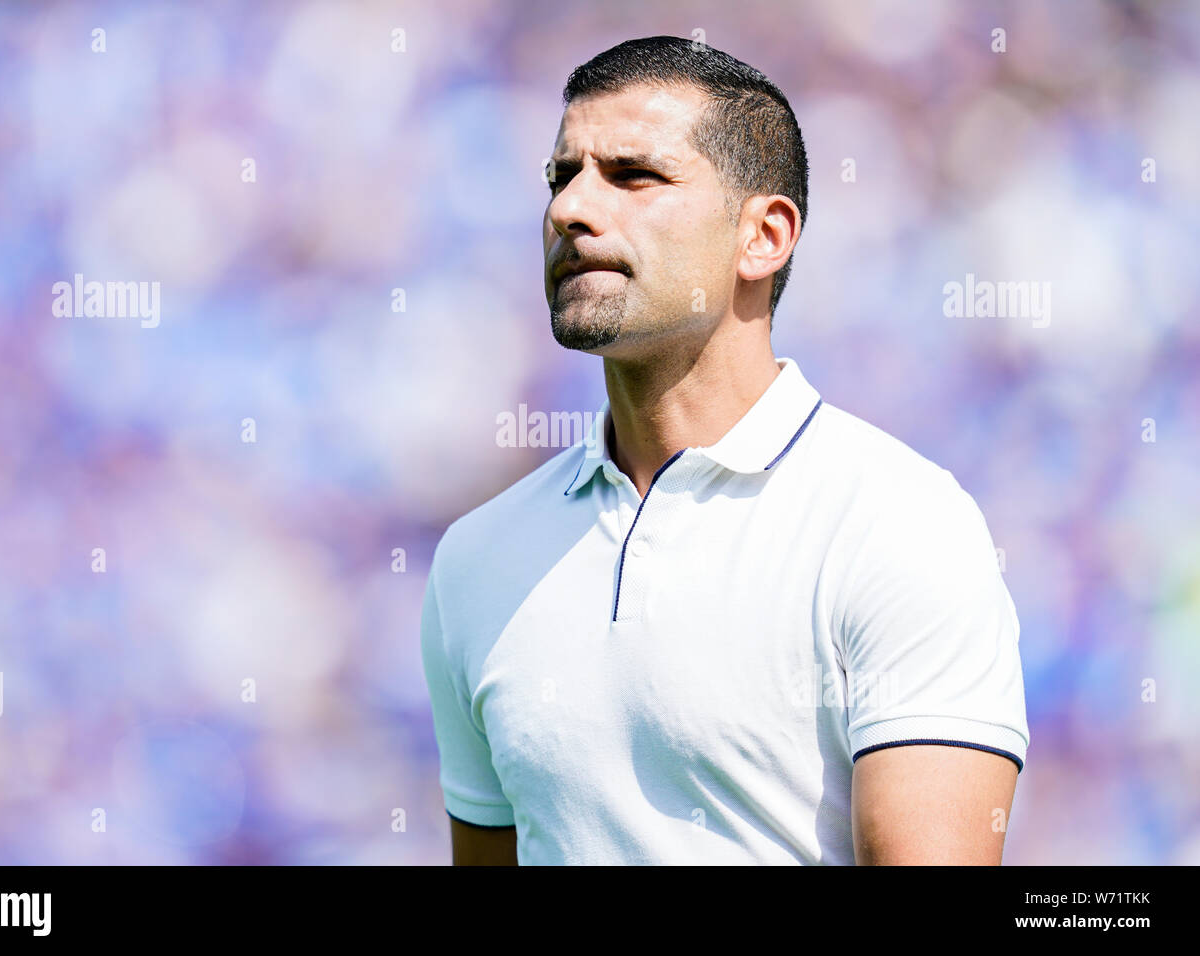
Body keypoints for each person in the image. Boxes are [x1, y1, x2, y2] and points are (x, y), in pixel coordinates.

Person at [421, 35, 1028, 865]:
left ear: (764, 237)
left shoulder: (899, 524)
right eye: (563, 177)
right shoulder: (476, 559)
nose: (570, 210)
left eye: (634, 176)